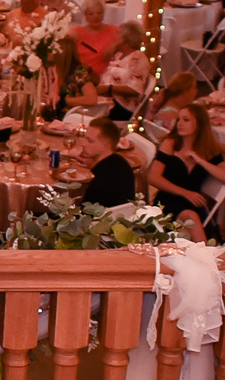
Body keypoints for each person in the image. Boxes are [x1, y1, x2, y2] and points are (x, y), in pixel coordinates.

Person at [150, 104, 225, 241]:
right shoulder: (171, 144)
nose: (180, 124)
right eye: (179, 120)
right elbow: (153, 177)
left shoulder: (209, 149)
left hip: (194, 203)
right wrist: (186, 193)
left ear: (199, 124)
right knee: (191, 218)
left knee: (191, 223)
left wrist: (201, 161)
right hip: (169, 199)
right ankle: (204, 258)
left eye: (186, 120)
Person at [99, 21, 151, 121]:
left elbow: (135, 89)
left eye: (118, 33)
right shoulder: (118, 55)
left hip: (121, 106)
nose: (115, 36)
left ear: (125, 38)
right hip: (105, 99)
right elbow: (104, 56)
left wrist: (108, 89)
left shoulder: (138, 58)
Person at [79, 118, 136, 207]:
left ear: (106, 146)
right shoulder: (120, 162)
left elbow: (84, 213)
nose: (83, 144)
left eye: (90, 141)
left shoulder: (100, 179)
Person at [69, 0, 120, 76]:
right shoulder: (76, 32)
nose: (96, 16)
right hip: (83, 76)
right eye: (91, 13)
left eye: (99, 13)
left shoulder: (114, 30)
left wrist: (114, 45)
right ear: (85, 15)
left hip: (109, 76)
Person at [52, 38, 99, 117]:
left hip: (68, 118)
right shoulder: (49, 69)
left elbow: (92, 98)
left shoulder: (78, 72)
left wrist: (62, 101)